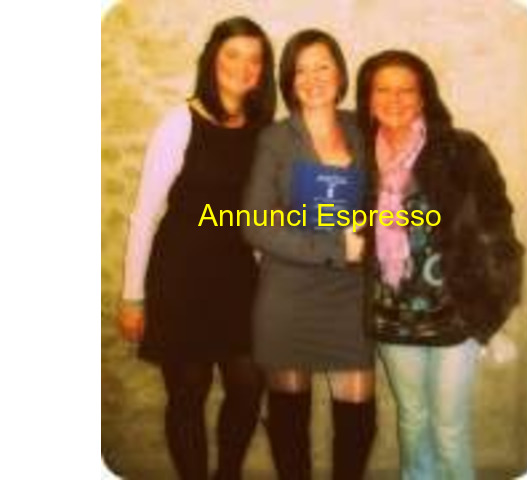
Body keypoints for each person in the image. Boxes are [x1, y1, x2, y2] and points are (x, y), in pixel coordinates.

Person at [116, 17, 275, 480]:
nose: (243, 67)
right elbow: (145, 215)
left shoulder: (264, 129)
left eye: (254, 59)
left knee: (248, 385)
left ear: (263, 70)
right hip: (180, 276)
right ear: (212, 60)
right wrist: (132, 296)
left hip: (239, 278)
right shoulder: (180, 122)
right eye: (233, 55)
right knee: (188, 392)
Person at [356, 50, 524, 480]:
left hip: (455, 312)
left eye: (406, 90)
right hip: (391, 314)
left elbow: (498, 225)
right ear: (368, 98)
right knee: (412, 418)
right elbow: (344, 224)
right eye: (383, 90)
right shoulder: (358, 158)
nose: (394, 99)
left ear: (424, 96)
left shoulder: (460, 150)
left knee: (450, 427)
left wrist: (494, 303)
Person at [242, 29, 376, 480]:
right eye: (300, 70)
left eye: (322, 66)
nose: (312, 78)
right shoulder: (276, 139)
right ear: (288, 80)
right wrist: (338, 249)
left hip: (350, 295)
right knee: (288, 419)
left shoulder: (363, 129)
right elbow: (254, 223)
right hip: (288, 293)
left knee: (358, 419)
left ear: (340, 74)